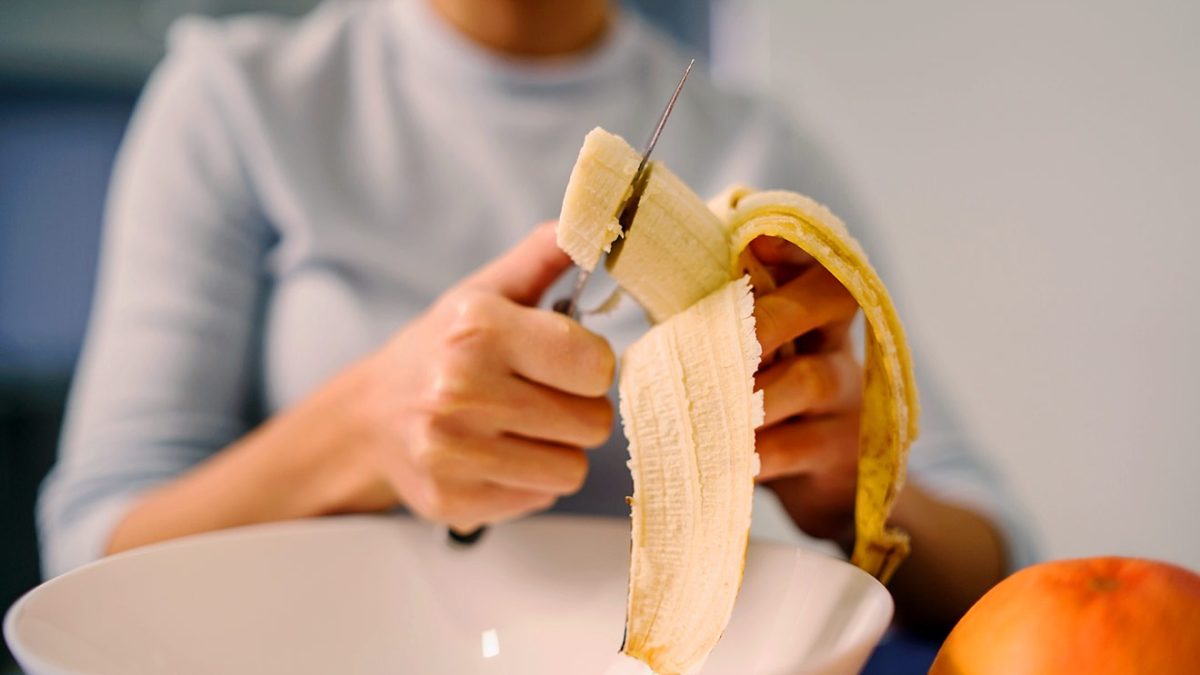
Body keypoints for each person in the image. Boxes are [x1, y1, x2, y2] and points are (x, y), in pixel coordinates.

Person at [39, 0, 1035, 631]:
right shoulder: (234, 99)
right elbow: (87, 554)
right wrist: (362, 432)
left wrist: (855, 485)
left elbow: (996, 568)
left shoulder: (756, 142)